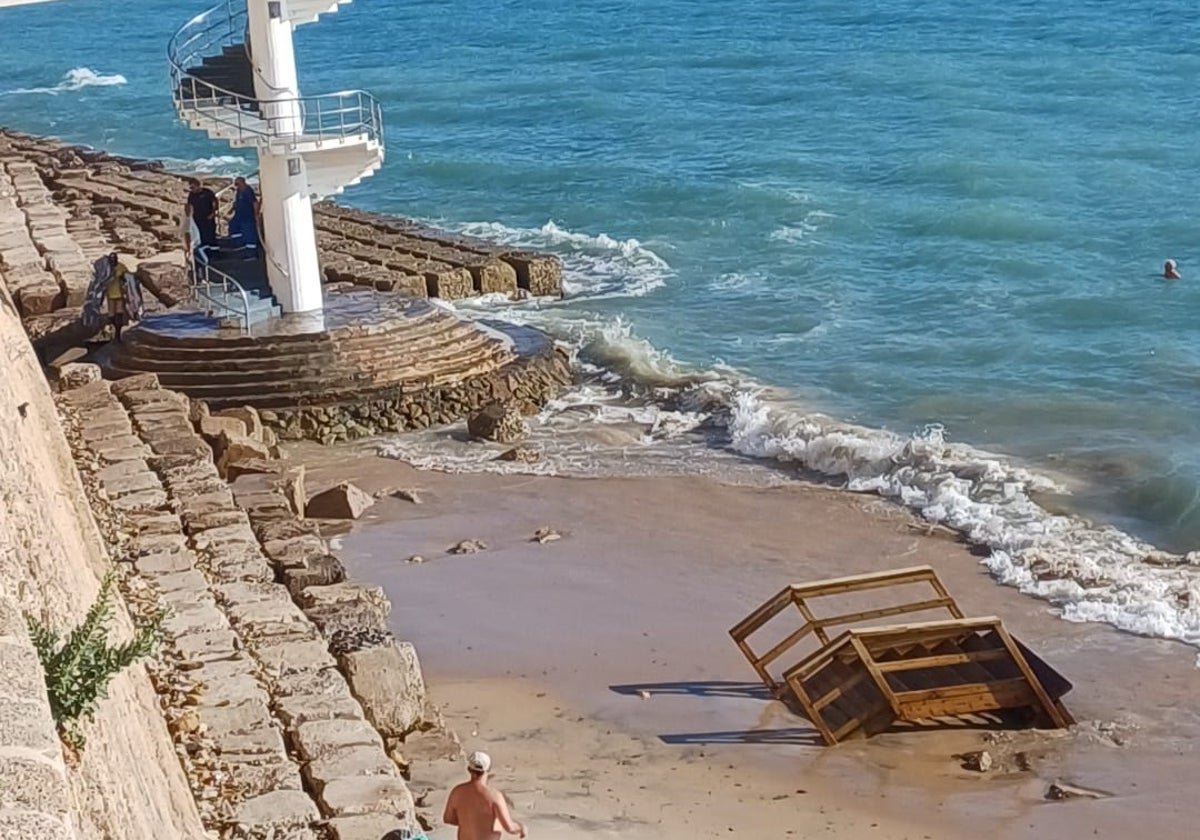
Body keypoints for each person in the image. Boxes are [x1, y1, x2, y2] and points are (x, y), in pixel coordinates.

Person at [442, 751, 526, 840]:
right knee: (497, 823)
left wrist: (469, 821)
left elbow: (448, 819)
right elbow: (510, 828)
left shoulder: (457, 792)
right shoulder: (494, 796)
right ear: (488, 770)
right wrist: (521, 827)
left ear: (469, 769)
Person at [82, 253, 144, 342]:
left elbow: (127, 277)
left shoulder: (120, 267)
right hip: (110, 294)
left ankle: (117, 334)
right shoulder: (106, 268)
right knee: (111, 314)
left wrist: (122, 278)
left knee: (119, 313)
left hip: (119, 294)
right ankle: (112, 331)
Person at [227, 176, 260, 256]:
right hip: (239, 214)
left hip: (247, 215)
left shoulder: (248, 191)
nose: (237, 185)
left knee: (249, 233)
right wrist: (232, 209)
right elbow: (237, 201)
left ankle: (251, 253)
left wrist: (256, 214)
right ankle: (239, 244)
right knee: (233, 226)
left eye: (238, 184)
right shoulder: (239, 191)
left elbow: (255, 203)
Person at [186, 177, 219, 249]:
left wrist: (213, 213)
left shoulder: (207, 192)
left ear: (198, 186)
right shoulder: (191, 195)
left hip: (208, 216)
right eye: (190, 188)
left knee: (210, 234)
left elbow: (214, 203)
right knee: (201, 234)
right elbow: (189, 205)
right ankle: (205, 250)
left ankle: (215, 251)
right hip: (197, 217)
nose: (192, 189)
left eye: (193, 187)